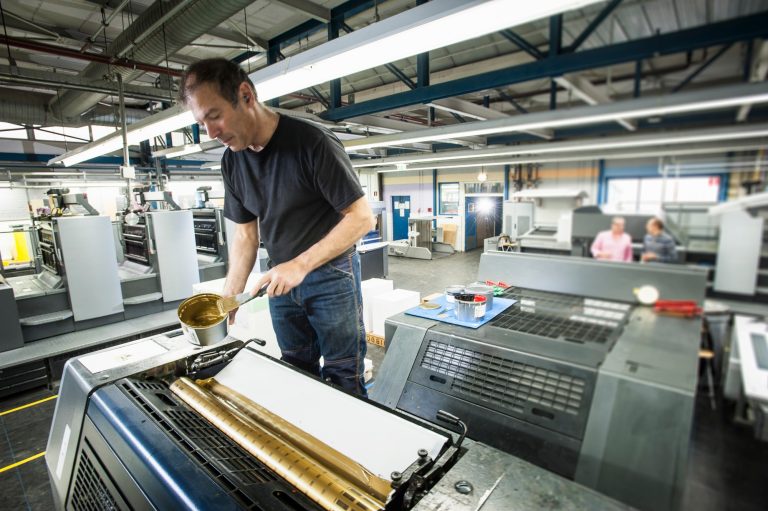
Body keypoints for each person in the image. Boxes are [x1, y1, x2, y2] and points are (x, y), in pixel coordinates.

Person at [178, 58, 375, 396]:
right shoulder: (232, 161)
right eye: (201, 122)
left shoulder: (312, 142)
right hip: (279, 281)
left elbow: (361, 217)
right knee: (295, 368)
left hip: (331, 275)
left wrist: (300, 264)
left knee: (344, 374)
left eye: (214, 116)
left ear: (245, 95)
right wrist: (228, 298)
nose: (210, 133)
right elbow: (245, 234)